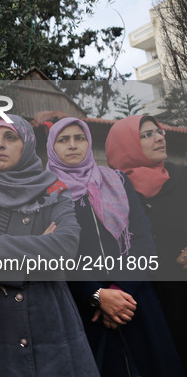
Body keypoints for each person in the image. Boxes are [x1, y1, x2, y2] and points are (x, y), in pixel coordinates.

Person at [0, 115, 98, 377]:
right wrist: (39, 248)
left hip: (51, 325)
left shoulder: (53, 190)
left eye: (10, 137)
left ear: (27, 144)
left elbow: (65, 248)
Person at [47, 116, 184, 377]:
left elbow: (142, 239)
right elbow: (54, 255)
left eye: (80, 138)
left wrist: (120, 289)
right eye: (63, 140)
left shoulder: (116, 181)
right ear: (52, 147)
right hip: (85, 308)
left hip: (133, 300)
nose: (73, 145)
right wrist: (97, 295)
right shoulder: (43, 194)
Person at [106, 115, 187, 371]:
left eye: (159, 131)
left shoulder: (182, 176)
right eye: (146, 134)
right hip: (144, 298)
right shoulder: (111, 192)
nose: (159, 137)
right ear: (126, 144)